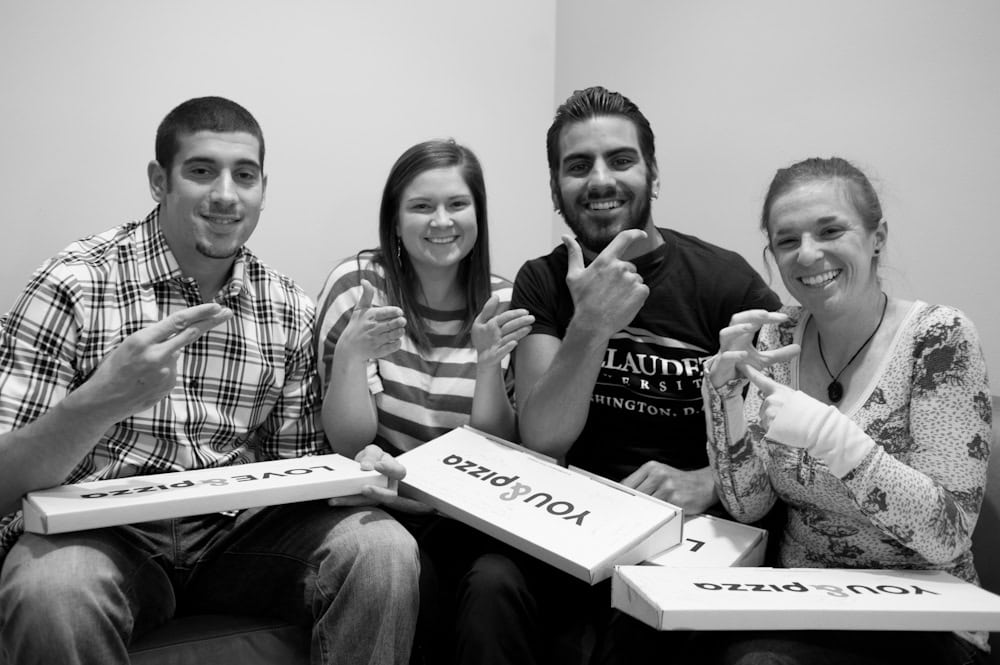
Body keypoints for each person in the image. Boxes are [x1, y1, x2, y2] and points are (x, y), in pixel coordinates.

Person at [0, 96, 419, 665]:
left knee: (381, 549)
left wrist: (354, 473)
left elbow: (298, 466)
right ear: (159, 181)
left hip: (238, 532)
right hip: (101, 533)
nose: (226, 194)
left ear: (263, 189)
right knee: (52, 593)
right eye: (201, 171)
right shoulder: (74, 285)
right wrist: (99, 402)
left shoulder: (286, 306)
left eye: (244, 175)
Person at [450, 86, 781, 665]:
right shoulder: (543, 280)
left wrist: (711, 481)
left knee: (642, 620)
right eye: (578, 166)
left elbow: (785, 431)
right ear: (556, 188)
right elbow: (543, 438)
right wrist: (592, 322)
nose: (600, 180)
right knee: (489, 583)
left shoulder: (725, 282)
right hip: (565, 525)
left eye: (621, 160)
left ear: (653, 174)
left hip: (683, 535)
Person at [700, 156, 992, 665]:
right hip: (805, 605)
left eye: (830, 230)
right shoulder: (778, 335)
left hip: (926, 615)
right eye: (787, 240)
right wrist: (722, 396)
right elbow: (749, 505)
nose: (808, 254)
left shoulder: (939, 339)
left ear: (877, 237)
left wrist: (826, 434)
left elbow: (947, 534)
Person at [313, 138, 534, 663]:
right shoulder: (360, 287)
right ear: (394, 220)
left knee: (495, 584)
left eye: (457, 204)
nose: (441, 221)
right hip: (381, 507)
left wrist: (487, 366)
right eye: (421, 206)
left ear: (478, 215)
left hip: (471, 514)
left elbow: (500, 451)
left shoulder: (504, 302)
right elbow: (348, 441)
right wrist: (352, 355)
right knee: (412, 574)